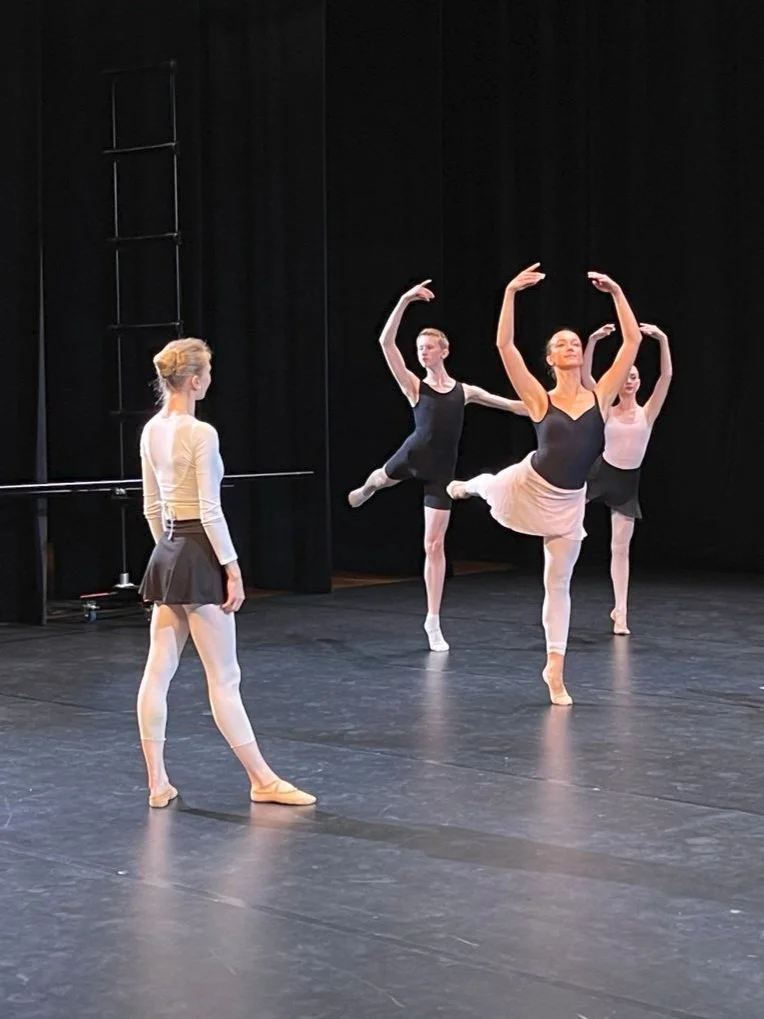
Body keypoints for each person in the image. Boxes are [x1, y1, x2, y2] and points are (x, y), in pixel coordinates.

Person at [447, 264, 643, 706]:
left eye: (575, 342)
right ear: (551, 359)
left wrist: (616, 291)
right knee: (490, 487)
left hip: (568, 503)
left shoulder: (602, 395)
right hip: (528, 485)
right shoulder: (540, 398)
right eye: (561, 344)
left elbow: (631, 342)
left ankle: (554, 667)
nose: (570, 346)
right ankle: (466, 487)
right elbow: (504, 345)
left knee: (558, 583)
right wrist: (511, 292)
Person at [136, 337, 315, 808]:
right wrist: (231, 568)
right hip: (196, 549)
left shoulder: (151, 430)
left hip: (170, 548)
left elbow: (152, 506)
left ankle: (158, 783)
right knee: (225, 676)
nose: (211, 380)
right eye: (209, 372)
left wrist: (167, 556)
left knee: (158, 671)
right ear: (194, 380)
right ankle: (261, 779)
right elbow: (211, 510)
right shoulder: (201, 432)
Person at [347, 280, 527, 653]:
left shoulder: (465, 391)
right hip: (412, 456)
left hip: (442, 473)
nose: (422, 352)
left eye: (429, 347)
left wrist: (548, 407)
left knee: (433, 544)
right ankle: (366, 489)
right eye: (419, 348)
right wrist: (404, 300)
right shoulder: (415, 387)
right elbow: (385, 344)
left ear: (444, 351)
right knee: (379, 481)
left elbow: (509, 404)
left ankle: (433, 620)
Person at [582, 321, 673, 635]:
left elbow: (667, 376)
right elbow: (586, 379)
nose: (629, 381)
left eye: (634, 377)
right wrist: (592, 341)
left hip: (626, 483)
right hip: (600, 473)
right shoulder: (607, 408)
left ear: (639, 381)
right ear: (619, 382)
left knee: (619, 549)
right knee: (565, 521)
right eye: (625, 377)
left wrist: (662, 341)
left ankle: (620, 612)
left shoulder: (647, 413)